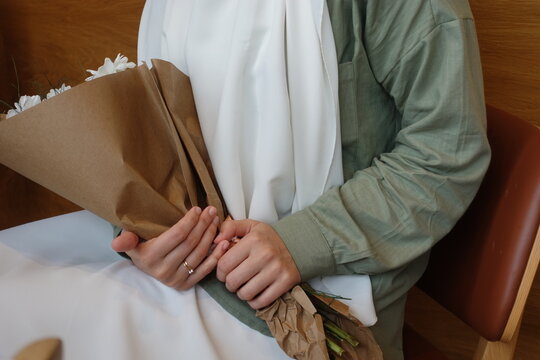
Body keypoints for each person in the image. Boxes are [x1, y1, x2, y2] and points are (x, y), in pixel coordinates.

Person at [112, 1, 491, 359]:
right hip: (184, 282)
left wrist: (301, 242)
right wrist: (145, 234)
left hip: (323, 308)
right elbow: (155, 123)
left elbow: (447, 152)